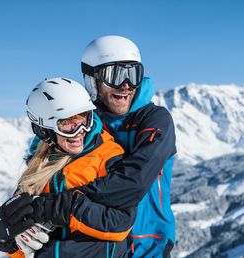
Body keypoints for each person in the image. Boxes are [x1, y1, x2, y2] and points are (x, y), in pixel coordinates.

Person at [0, 78, 137, 258]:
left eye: (84, 118)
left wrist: (62, 208)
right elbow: (24, 248)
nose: (80, 130)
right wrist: (6, 242)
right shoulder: (37, 169)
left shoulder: (107, 156)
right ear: (45, 129)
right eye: (67, 124)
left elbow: (120, 224)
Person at [80, 35, 177, 257]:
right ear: (92, 80)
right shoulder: (82, 125)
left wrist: (63, 204)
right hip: (101, 247)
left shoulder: (154, 120)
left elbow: (135, 180)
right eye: (115, 75)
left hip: (148, 248)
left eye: (133, 75)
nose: (126, 85)